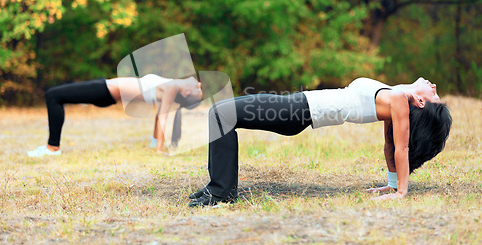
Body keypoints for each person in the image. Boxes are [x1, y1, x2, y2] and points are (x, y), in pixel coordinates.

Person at [188, 77, 452, 207]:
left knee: (221, 113)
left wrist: (401, 192)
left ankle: (221, 192)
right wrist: (391, 184)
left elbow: (402, 147)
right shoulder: (396, 94)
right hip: (298, 104)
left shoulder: (397, 100)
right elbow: (389, 144)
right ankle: (218, 188)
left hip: (297, 110)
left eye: (434, 94)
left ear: (420, 102)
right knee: (221, 113)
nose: (433, 84)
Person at [27, 74, 202, 157]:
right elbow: (159, 116)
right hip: (106, 88)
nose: (199, 84)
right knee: (55, 96)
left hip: (104, 90)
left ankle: (52, 148)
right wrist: (154, 143)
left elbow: (163, 118)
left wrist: (157, 151)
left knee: (53, 95)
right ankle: (52, 147)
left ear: (186, 93)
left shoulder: (171, 87)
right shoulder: (169, 85)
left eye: (198, 90)